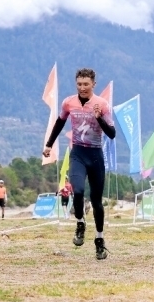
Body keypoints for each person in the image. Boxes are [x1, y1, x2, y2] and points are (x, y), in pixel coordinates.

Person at [43, 68, 116, 260]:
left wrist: (99, 118)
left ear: (93, 84)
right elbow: (59, 123)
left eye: (86, 84)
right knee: (78, 190)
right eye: (79, 84)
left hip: (96, 155)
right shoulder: (69, 102)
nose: (82, 88)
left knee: (96, 201)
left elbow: (112, 134)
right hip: (78, 153)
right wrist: (49, 144)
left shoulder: (102, 104)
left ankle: (99, 240)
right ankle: (80, 222)